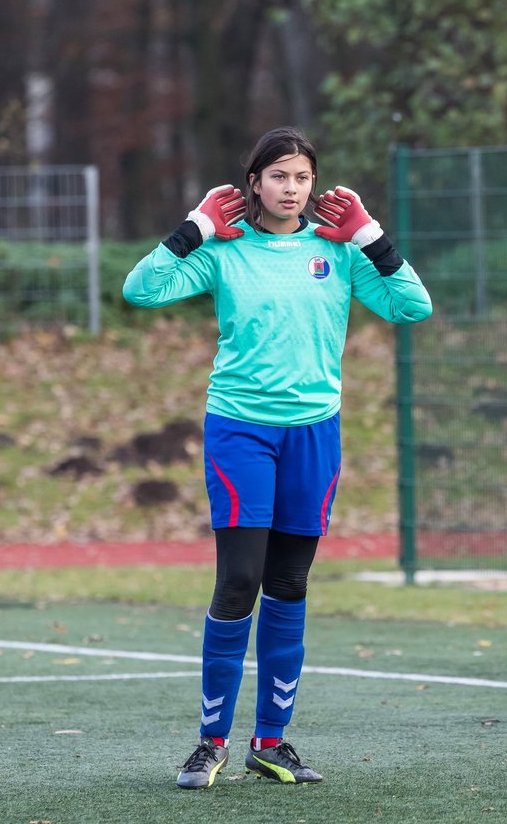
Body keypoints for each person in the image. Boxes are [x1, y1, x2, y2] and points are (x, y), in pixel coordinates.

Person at [124, 126, 432, 789]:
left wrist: (370, 235)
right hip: (241, 433)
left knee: (289, 585)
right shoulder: (226, 250)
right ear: (253, 183)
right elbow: (141, 289)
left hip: (314, 435)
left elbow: (413, 306)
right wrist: (195, 227)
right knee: (239, 582)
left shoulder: (338, 253)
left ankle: (272, 741)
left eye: (302, 177)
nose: (291, 188)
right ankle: (209, 743)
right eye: (278, 176)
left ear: (313, 185)